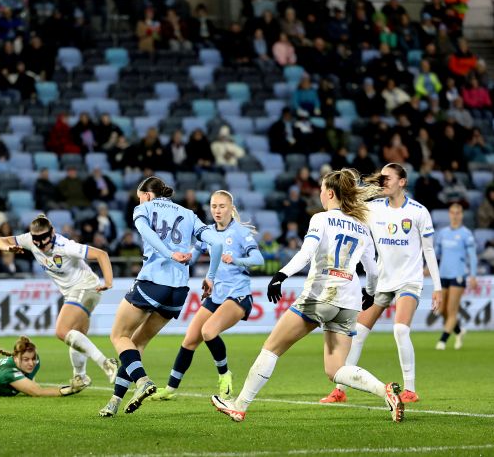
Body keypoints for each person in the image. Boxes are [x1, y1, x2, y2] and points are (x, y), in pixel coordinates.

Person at [211, 169, 404, 423]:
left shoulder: (321, 219)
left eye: (322, 189)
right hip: (349, 301)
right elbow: (372, 267)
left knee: (272, 348)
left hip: (320, 295)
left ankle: (239, 405)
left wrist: (281, 275)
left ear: (331, 193)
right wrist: (369, 293)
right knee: (335, 369)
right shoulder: (361, 226)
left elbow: (306, 253)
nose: (320, 193)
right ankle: (385, 390)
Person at [99, 176, 224, 417]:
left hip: (152, 282)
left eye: (139, 196)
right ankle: (114, 401)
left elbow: (147, 233)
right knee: (137, 343)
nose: (139, 200)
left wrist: (169, 253)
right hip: (178, 291)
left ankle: (142, 381)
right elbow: (217, 244)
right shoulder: (187, 213)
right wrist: (211, 277)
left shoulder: (143, 208)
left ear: (146, 194)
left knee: (119, 335)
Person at [321, 163, 442, 405]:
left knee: (400, 329)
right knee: (357, 333)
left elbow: (429, 251)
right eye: (382, 178)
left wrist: (437, 287)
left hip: (409, 281)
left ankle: (410, 389)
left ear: (402, 182)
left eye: (388, 178)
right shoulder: (373, 209)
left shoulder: (419, 212)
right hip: (382, 282)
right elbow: (348, 210)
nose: (383, 181)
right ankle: (340, 390)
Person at [151, 190, 264, 401]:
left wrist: (238, 260)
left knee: (209, 331)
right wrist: (181, 257)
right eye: (214, 206)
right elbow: (193, 256)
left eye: (222, 206)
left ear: (231, 208)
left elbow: (258, 259)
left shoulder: (239, 232)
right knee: (190, 339)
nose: (217, 211)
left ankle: (225, 376)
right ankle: (170, 388)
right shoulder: (208, 232)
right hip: (216, 295)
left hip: (238, 295)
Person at [0, 214, 119, 388]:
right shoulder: (29, 240)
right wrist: (8, 248)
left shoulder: (66, 246)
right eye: (36, 240)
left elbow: (101, 254)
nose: (41, 245)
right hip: (76, 291)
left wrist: (109, 281)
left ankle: (106, 363)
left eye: (44, 239)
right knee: (76, 336)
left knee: (61, 331)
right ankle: (80, 377)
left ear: (52, 232)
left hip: (86, 287)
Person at [434, 203, 477, 350]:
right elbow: (436, 253)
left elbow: (472, 257)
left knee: (452, 310)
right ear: (449, 214)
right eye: (453, 212)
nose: (455, 215)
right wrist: (428, 268)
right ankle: (458, 330)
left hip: (458, 275)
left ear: (462, 215)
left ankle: (443, 340)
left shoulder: (466, 234)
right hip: (443, 274)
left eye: (458, 213)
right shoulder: (443, 233)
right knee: (441, 310)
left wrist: (473, 275)